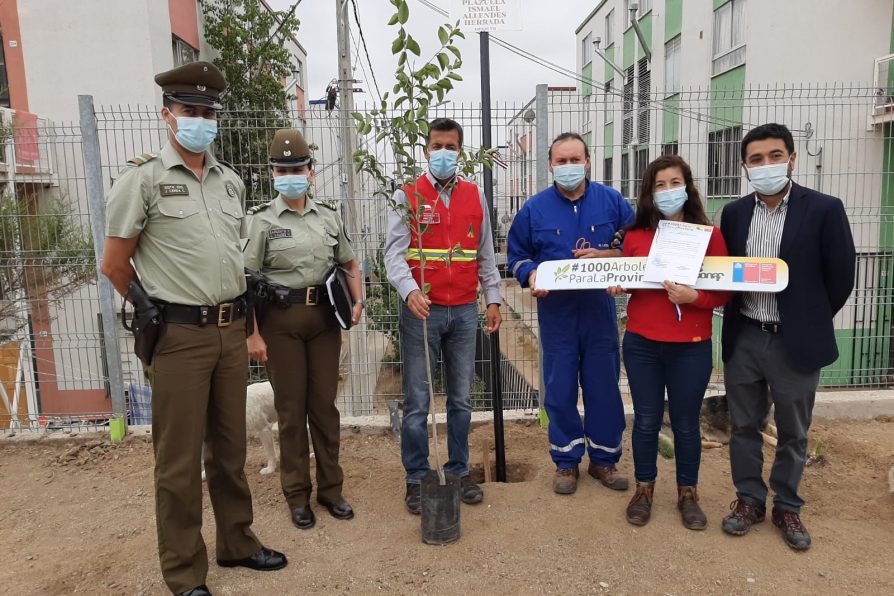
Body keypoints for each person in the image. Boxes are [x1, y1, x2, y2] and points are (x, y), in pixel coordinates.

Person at [101, 62, 286, 596]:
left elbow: (231, 257)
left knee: (229, 451)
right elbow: (115, 263)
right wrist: (145, 307)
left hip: (229, 332)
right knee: (178, 462)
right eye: (189, 112)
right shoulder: (143, 180)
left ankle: (238, 543)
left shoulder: (229, 181)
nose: (199, 120)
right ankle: (184, 573)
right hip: (178, 337)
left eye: (208, 112)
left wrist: (248, 321)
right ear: (168, 116)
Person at [719, 123, 855, 550]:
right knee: (743, 425)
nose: (766, 165)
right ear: (745, 167)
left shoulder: (824, 209)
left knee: (794, 431)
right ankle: (749, 500)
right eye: (756, 160)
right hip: (745, 337)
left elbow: (841, 277)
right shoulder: (735, 213)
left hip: (794, 343)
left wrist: (805, 320)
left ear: (792, 159)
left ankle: (787, 505)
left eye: (775, 156)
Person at [243, 129, 364, 530]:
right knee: (291, 413)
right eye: (282, 168)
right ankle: (297, 494)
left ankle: (331, 489)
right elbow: (246, 279)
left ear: (310, 172)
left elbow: (348, 262)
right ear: (273, 173)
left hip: (324, 322)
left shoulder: (327, 215)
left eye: (297, 168)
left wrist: (358, 300)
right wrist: (253, 334)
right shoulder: (261, 221)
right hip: (280, 325)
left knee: (324, 409)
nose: (290, 174)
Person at [384, 117, 502, 514]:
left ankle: (458, 471)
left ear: (461, 152)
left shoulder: (475, 197)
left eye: (451, 147)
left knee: (461, 399)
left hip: (465, 312)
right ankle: (417, 478)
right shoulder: (409, 195)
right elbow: (394, 256)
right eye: (437, 146)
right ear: (426, 151)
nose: (444, 153)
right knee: (418, 400)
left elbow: (484, 255)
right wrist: (410, 291)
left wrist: (494, 299)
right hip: (424, 312)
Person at [607, 155, 730, 529]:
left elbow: (724, 291)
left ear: (687, 187)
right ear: (649, 193)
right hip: (643, 343)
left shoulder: (708, 235)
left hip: (691, 345)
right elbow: (627, 280)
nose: (667, 191)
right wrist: (618, 285)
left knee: (686, 423)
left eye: (674, 183)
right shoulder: (635, 236)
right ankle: (644, 488)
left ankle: (688, 493)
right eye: (659, 185)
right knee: (645, 421)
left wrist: (696, 298)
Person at [507, 132, 634, 495]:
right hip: (557, 315)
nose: (568, 167)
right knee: (559, 388)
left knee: (603, 387)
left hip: (600, 311)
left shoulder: (612, 203)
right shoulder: (534, 209)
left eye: (574, 159)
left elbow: (636, 244)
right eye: (560, 161)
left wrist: (611, 259)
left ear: (588, 161)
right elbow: (517, 255)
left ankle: (604, 460)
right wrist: (530, 273)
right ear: (550, 165)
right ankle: (565, 461)